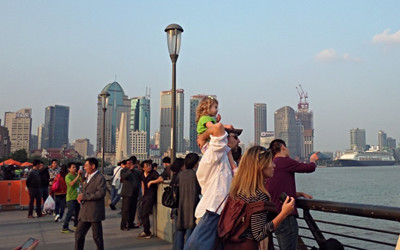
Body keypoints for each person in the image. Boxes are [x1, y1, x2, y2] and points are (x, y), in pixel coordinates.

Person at [223, 146, 295, 249]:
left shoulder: (238, 191)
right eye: (271, 162)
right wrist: (284, 213)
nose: (274, 165)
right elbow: (259, 234)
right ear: (261, 166)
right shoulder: (258, 195)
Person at [184, 123, 242, 250]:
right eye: (235, 137)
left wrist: (231, 158)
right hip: (210, 214)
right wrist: (203, 136)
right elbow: (218, 127)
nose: (238, 140)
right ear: (224, 138)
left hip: (219, 215)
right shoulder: (213, 156)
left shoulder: (226, 160)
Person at [266, 139, 319, 250]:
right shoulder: (284, 161)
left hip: (274, 215)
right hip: (286, 215)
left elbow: (276, 189)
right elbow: (308, 168)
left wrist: (298, 194)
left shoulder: (271, 164)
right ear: (283, 148)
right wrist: (313, 160)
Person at [195, 96, 237, 170]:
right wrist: (225, 126)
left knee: (227, 150)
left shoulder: (209, 119)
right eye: (215, 107)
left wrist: (217, 122)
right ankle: (233, 167)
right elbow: (212, 127)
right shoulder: (205, 118)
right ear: (208, 107)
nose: (217, 110)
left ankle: (233, 167)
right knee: (222, 153)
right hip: (207, 144)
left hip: (209, 142)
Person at [75, 158, 106, 250]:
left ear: (93, 166)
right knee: (78, 234)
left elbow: (100, 193)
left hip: (94, 211)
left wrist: (84, 196)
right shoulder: (87, 176)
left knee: (97, 237)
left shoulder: (100, 178)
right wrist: (80, 197)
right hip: (85, 211)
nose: (84, 167)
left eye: (86, 165)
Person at [174, 153, 201, 250]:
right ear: (195, 163)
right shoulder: (196, 175)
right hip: (192, 207)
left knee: (179, 234)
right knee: (190, 235)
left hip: (181, 207)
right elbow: (200, 190)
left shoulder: (181, 174)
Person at [137, 160, 163, 239]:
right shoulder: (142, 174)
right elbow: (142, 183)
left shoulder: (153, 173)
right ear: (143, 168)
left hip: (151, 196)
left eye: (150, 165)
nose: (149, 167)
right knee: (141, 212)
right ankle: (146, 230)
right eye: (147, 166)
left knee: (144, 213)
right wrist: (143, 193)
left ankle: (147, 232)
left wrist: (151, 182)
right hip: (145, 195)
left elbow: (161, 179)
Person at [61, 162, 82, 233]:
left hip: (77, 196)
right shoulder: (68, 176)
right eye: (73, 167)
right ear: (69, 169)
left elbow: (81, 181)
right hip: (70, 197)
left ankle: (76, 225)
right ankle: (65, 227)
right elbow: (71, 183)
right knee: (70, 212)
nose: (75, 169)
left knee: (77, 212)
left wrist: (81, 175)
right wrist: (78, 176)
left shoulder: (76, 175)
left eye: (75, 167)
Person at [120, 159, 140, 231]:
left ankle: (131, 223)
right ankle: (123, 225)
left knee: (133, 209)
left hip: (134, 193)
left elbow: (139, 178)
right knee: (126, 210)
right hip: (127, 193)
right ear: (126, 164)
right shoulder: (124, 170)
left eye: (131, 163)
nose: (130, 164)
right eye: (129, 163)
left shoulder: (135, 171)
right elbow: (123, 177)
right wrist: (130, 170)